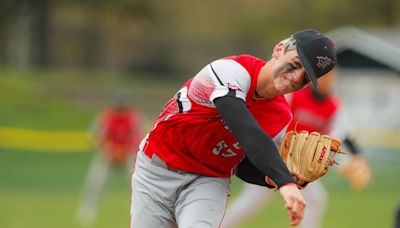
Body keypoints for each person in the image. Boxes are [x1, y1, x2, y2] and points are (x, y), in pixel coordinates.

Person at [130, 29, 337, 228]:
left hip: (208, 181)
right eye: (295, 64)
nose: (295, 77)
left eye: (305, 78)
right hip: (156, 170)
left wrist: (273, 177)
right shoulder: (229, 70)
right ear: (279, 49)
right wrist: (285, 181)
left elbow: (242, 165)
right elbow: (244, 128)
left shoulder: (280, 117)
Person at [220, 68, 371, 228]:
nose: (326, 80)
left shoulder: (333, 106)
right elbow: (271, 116)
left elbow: (345, 134)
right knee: (248, 205)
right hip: (273, 157)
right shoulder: (294, 95)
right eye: (322, 76)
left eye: (330, 76)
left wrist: (357, 157)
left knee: (315, 199)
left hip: (299, 165)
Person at [76, 89, 145, 226]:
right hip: (108, 155)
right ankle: (87, 212)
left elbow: (140, 136)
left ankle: (142, 214)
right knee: (95, 183)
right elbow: (93, 136)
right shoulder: (106, 116)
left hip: (127, 155)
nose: (122, 107)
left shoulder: (134, 116)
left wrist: (126, 150)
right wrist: (107, 147)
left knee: (139, 185)